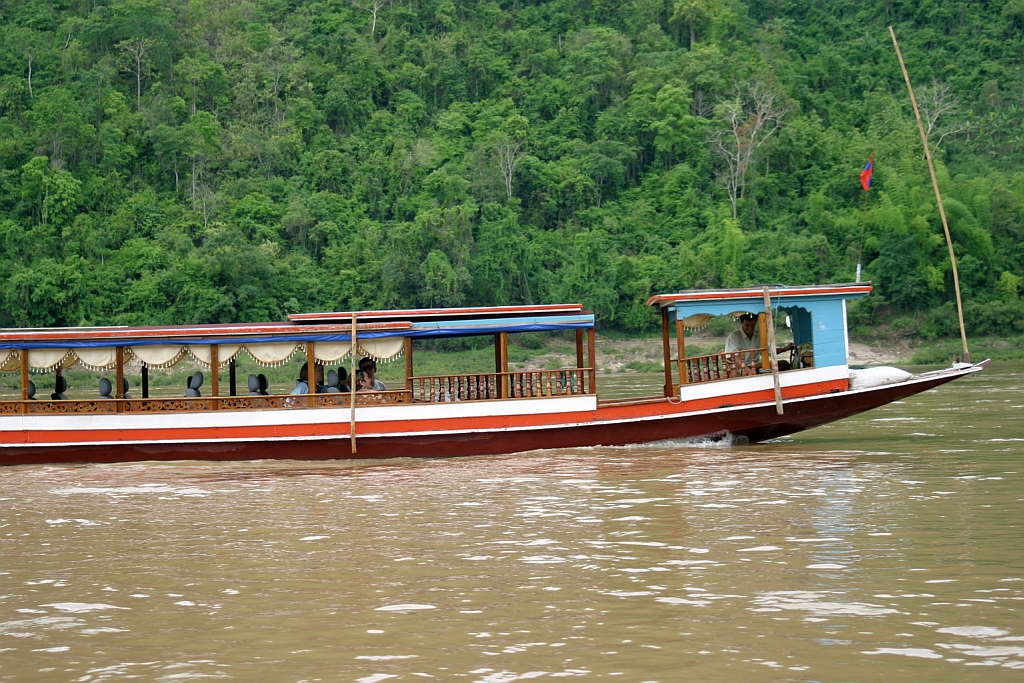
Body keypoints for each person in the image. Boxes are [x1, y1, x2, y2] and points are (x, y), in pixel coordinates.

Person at [725, 313, 795, 368]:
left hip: (755, 366)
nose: (750, 328)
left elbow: (768, 351)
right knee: (782, 364)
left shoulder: (758, 335)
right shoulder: (734, 337)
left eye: (752, 325)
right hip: (741, 369)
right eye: (747, 325)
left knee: (783, 364)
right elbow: (733, 357)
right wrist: (748, 371)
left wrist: (785, 349)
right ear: (741, 322)